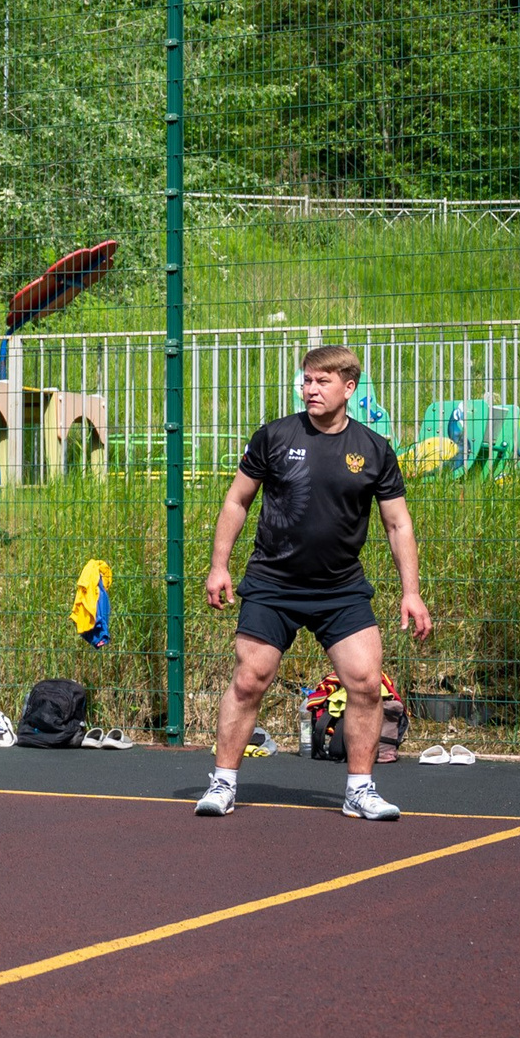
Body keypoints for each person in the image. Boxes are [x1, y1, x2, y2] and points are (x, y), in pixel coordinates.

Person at [197, 344, 431, 821]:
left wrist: (412, 592)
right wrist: (219, 565)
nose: (310, 389)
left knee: (366, 683)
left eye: (322, 382)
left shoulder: (373, 449)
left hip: (340, 588)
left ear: (349, 387)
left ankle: (359, 791)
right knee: (249, 680)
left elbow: (397, 524)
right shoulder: (275, 437)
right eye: (306, 380)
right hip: (272, 582)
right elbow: (236, 501)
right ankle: (224, 782)